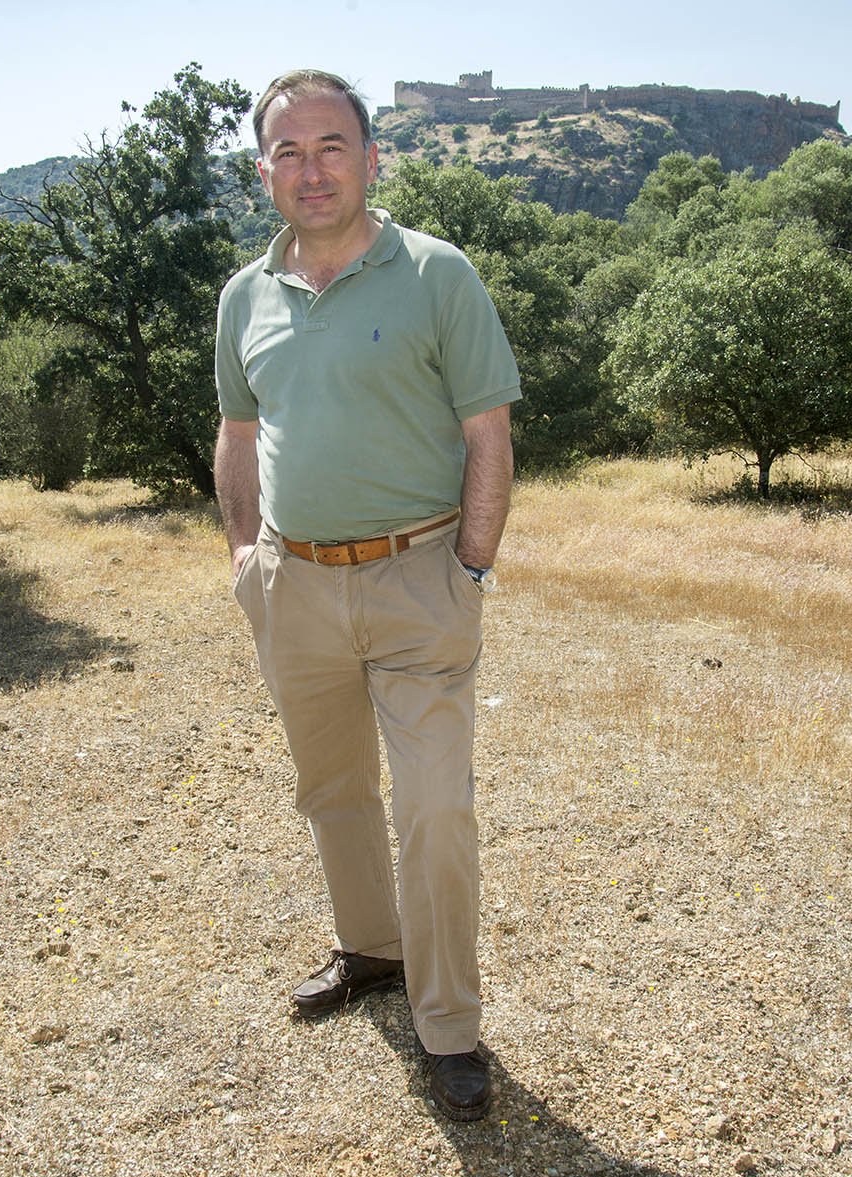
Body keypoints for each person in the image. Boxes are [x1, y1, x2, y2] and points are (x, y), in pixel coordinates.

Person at [213, 68, 520, 1122]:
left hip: (418, 576)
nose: (310, 169)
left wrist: (469, 566)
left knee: (434, 807)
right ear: (264, 172)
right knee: (332, 790)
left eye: (330, 146)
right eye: (288, 152)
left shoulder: (436, 273)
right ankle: (372, 951)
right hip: (292, 584)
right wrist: (246, 557)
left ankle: (448, 1027)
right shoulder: (242, 296)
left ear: (370, 157)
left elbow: (488, 431)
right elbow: (239, 432)